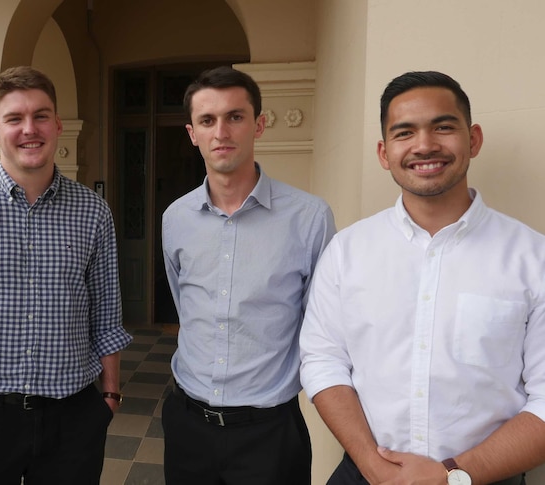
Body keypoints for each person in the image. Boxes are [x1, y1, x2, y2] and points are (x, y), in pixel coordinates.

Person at [300, 71, 545, 485]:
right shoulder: (347, 251)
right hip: (366, 473)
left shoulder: (533, 258)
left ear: (474, 139)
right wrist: (373, 466)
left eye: (443, 127)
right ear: (384, 152)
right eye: (404, 132)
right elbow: (323, 361)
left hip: (486, 478)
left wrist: (452, 474)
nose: (425, 145)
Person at [0, 66, 132, 484]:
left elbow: (107, 315)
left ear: (57, 125)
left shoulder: (93, 212)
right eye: (14, 118)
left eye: (40, 116)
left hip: (73, 416)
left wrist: (108, 397)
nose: (29, 129)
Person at [161, 65, 336, 484]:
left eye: (235, 116)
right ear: (192, 133)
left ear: (258, 124)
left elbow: (323, 326)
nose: (221, 131)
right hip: (187, 425)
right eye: (207, 120)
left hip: (269, 434)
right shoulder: (175, 218)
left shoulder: (310, 218)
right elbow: (186, 305)